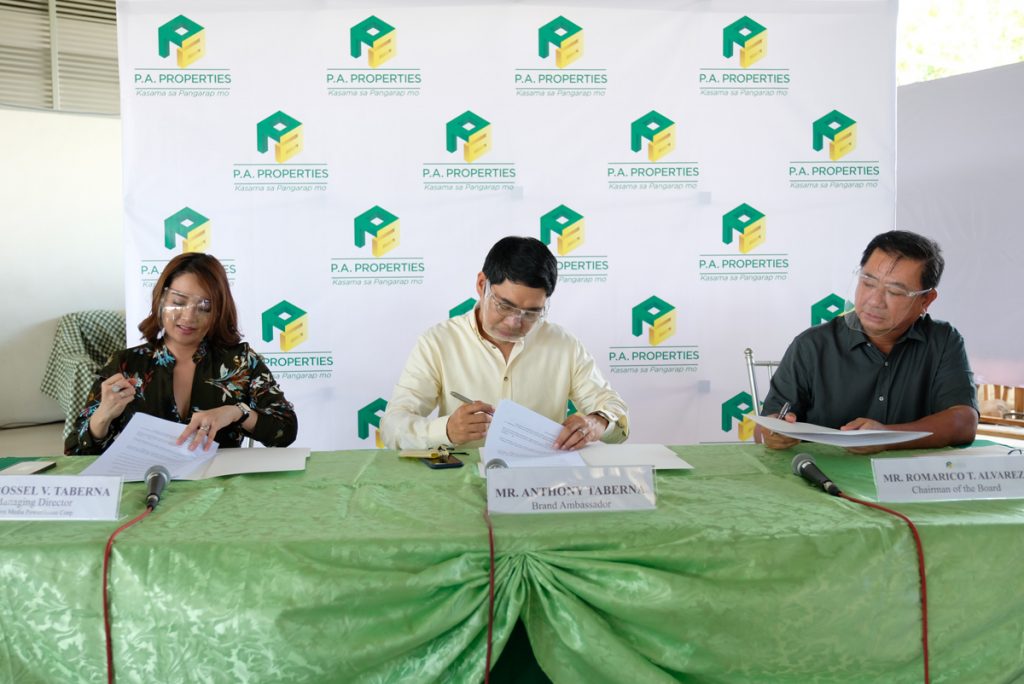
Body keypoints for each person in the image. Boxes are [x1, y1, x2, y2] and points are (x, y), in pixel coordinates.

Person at [381, 236, 628, 450]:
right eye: (505, 305)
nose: (514, 322)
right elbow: (392, 427)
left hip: (541, 484)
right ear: (481, 285)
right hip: (462, 480)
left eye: (532, 312)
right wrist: (445, 431)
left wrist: (597, 422)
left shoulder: (563, 345)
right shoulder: (438, 342)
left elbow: (615, 411)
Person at [756, 230, 978, 454]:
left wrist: (887, 437)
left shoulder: (943, 341)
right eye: (868, 283)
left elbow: (964, 422)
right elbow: (763, 429)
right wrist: (773, 432)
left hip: (909, 482)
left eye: (894, 291)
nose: (874, 301)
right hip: (822, 479)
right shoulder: (812, 345)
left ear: (926, 300)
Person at [65, 253, 297, 455]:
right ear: (161, 300)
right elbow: (75, 451)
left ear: (218, 311)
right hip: (145, 490)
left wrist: (236, 412)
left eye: (204, 307)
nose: (188, 317)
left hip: (220, 491)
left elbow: (285, 431)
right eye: (178, 302)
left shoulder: (240, 362)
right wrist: (103, 416)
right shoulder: (126, 364)